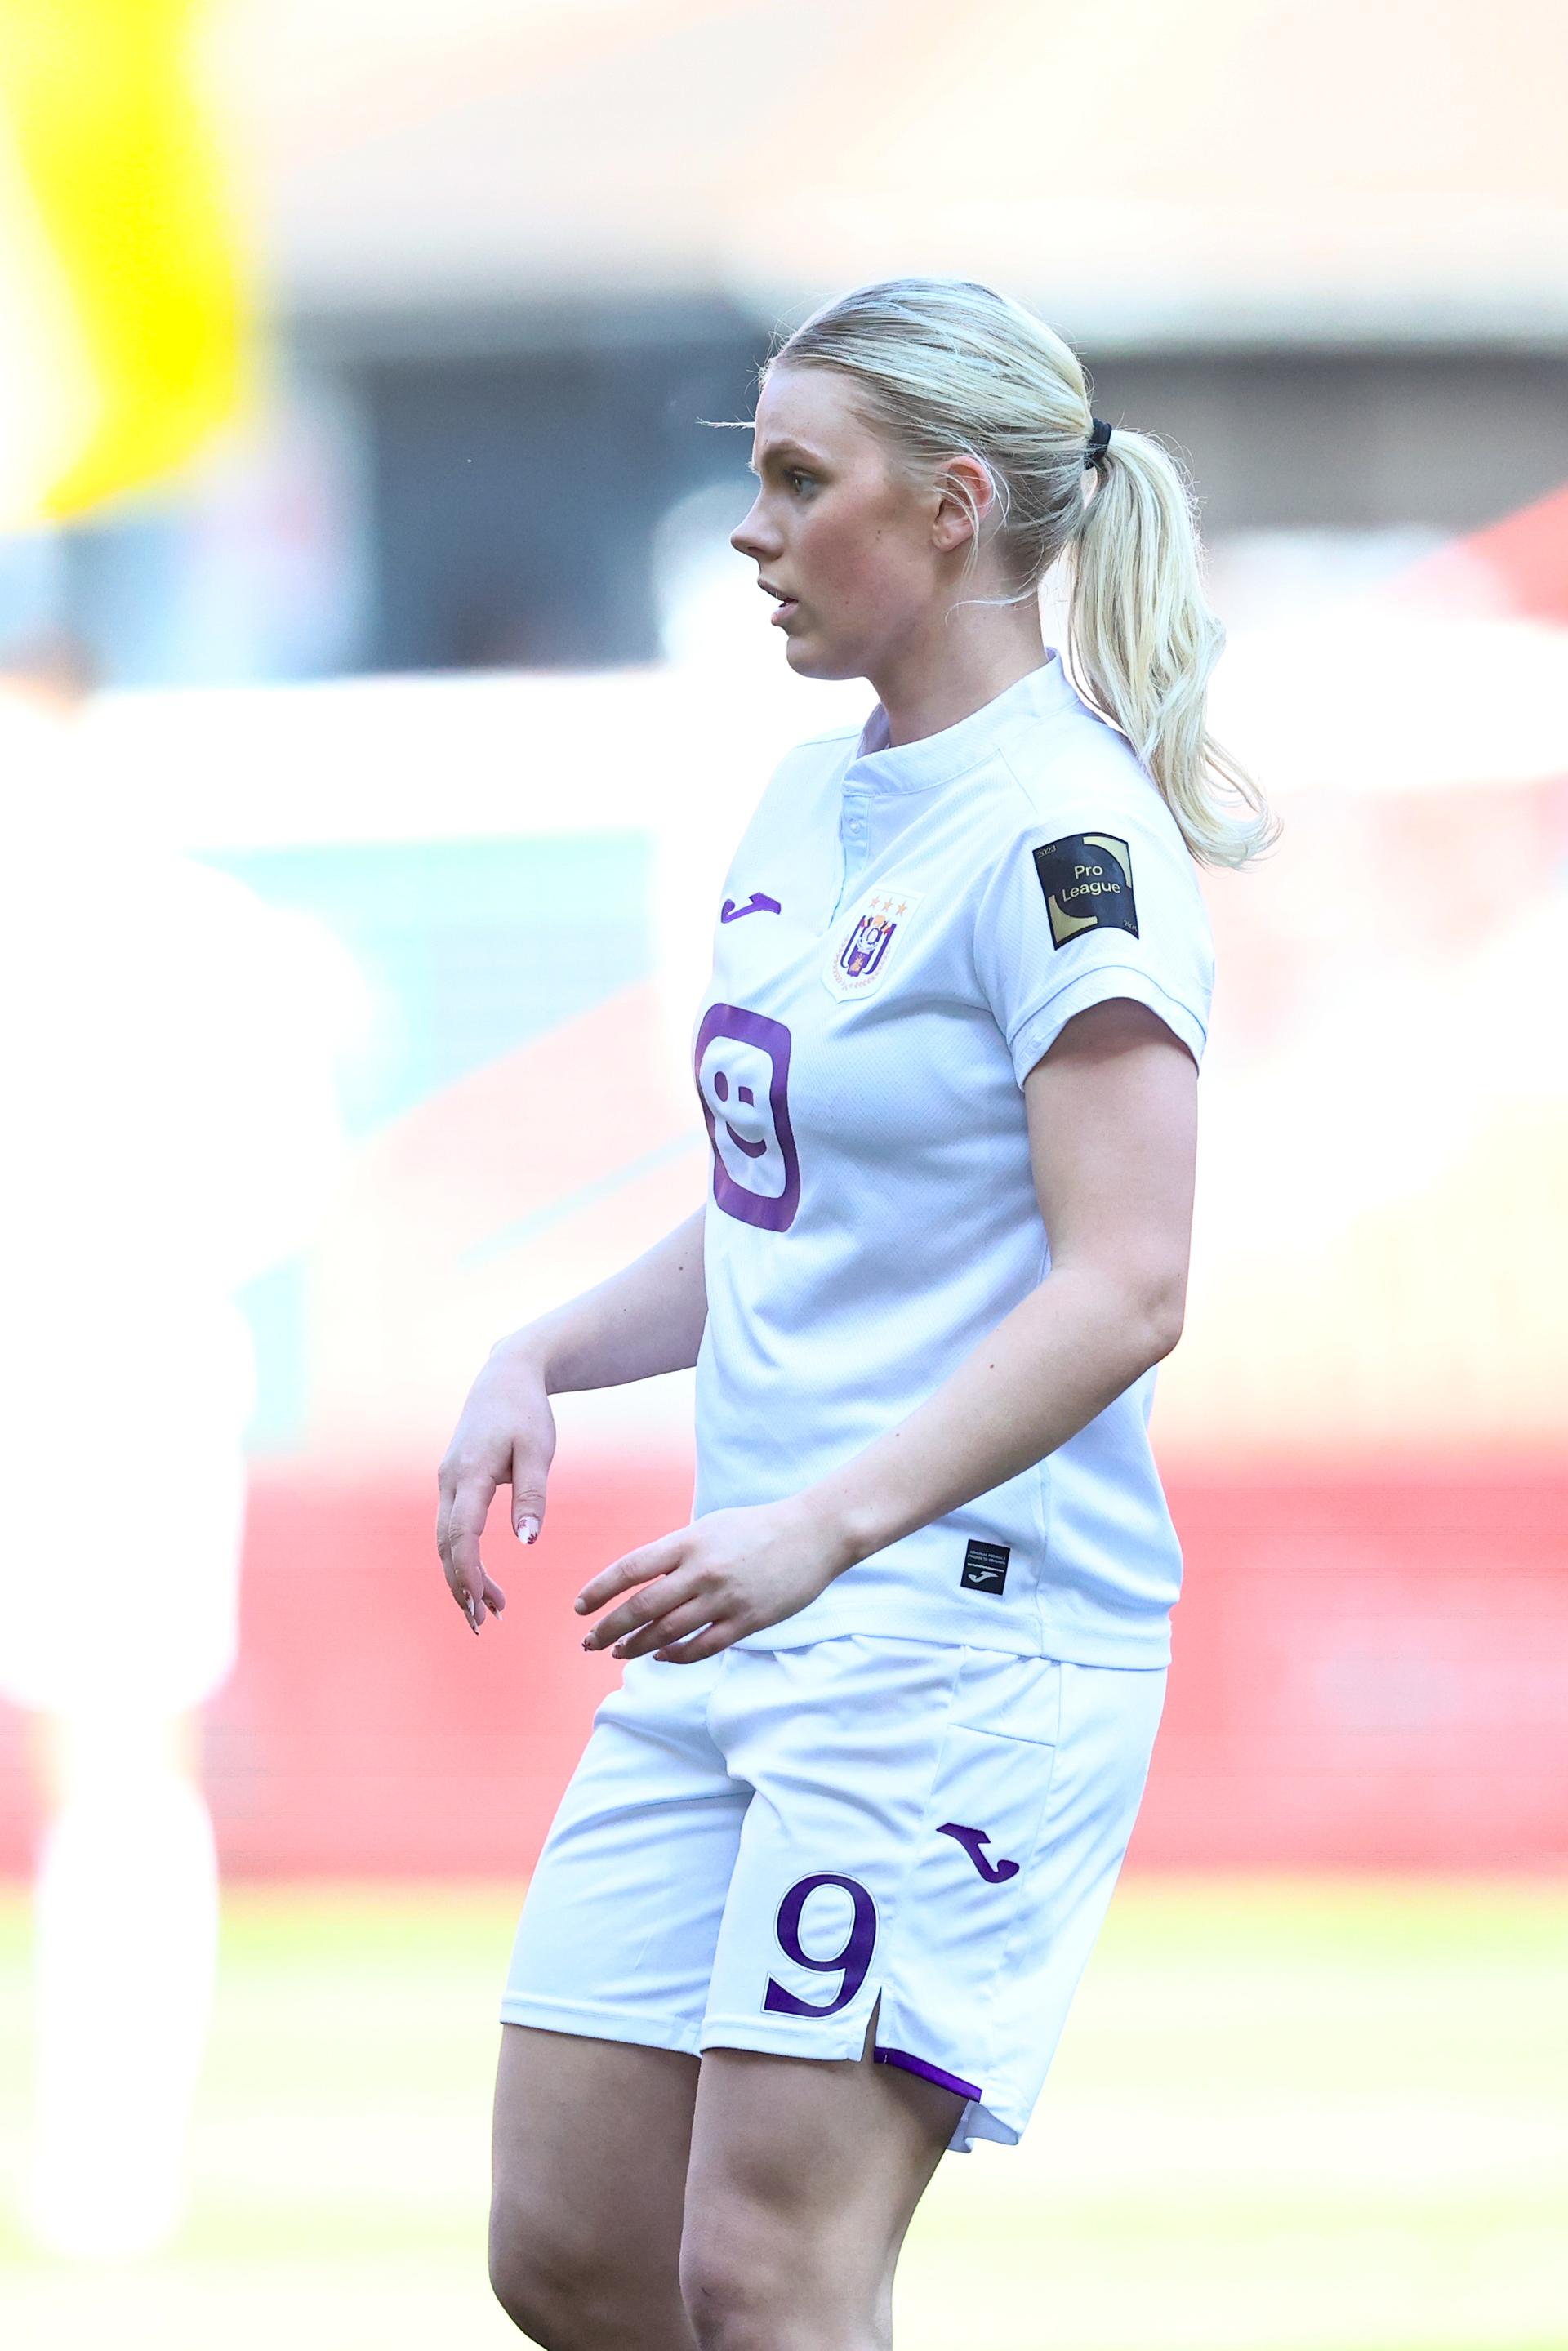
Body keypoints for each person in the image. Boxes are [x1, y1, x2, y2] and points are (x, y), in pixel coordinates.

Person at [435, 275, 1276, 2349]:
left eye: (800, 481)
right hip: (756, 1613)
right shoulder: (811, 800)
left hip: (959, 1637)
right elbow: (784, 1216)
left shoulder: (1068, 833)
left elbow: (1131, 1281)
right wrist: (541, 1345)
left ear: (957, 505)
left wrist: (826, 1520)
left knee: (771, 2276)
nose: (752, 529)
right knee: (570, 2243)